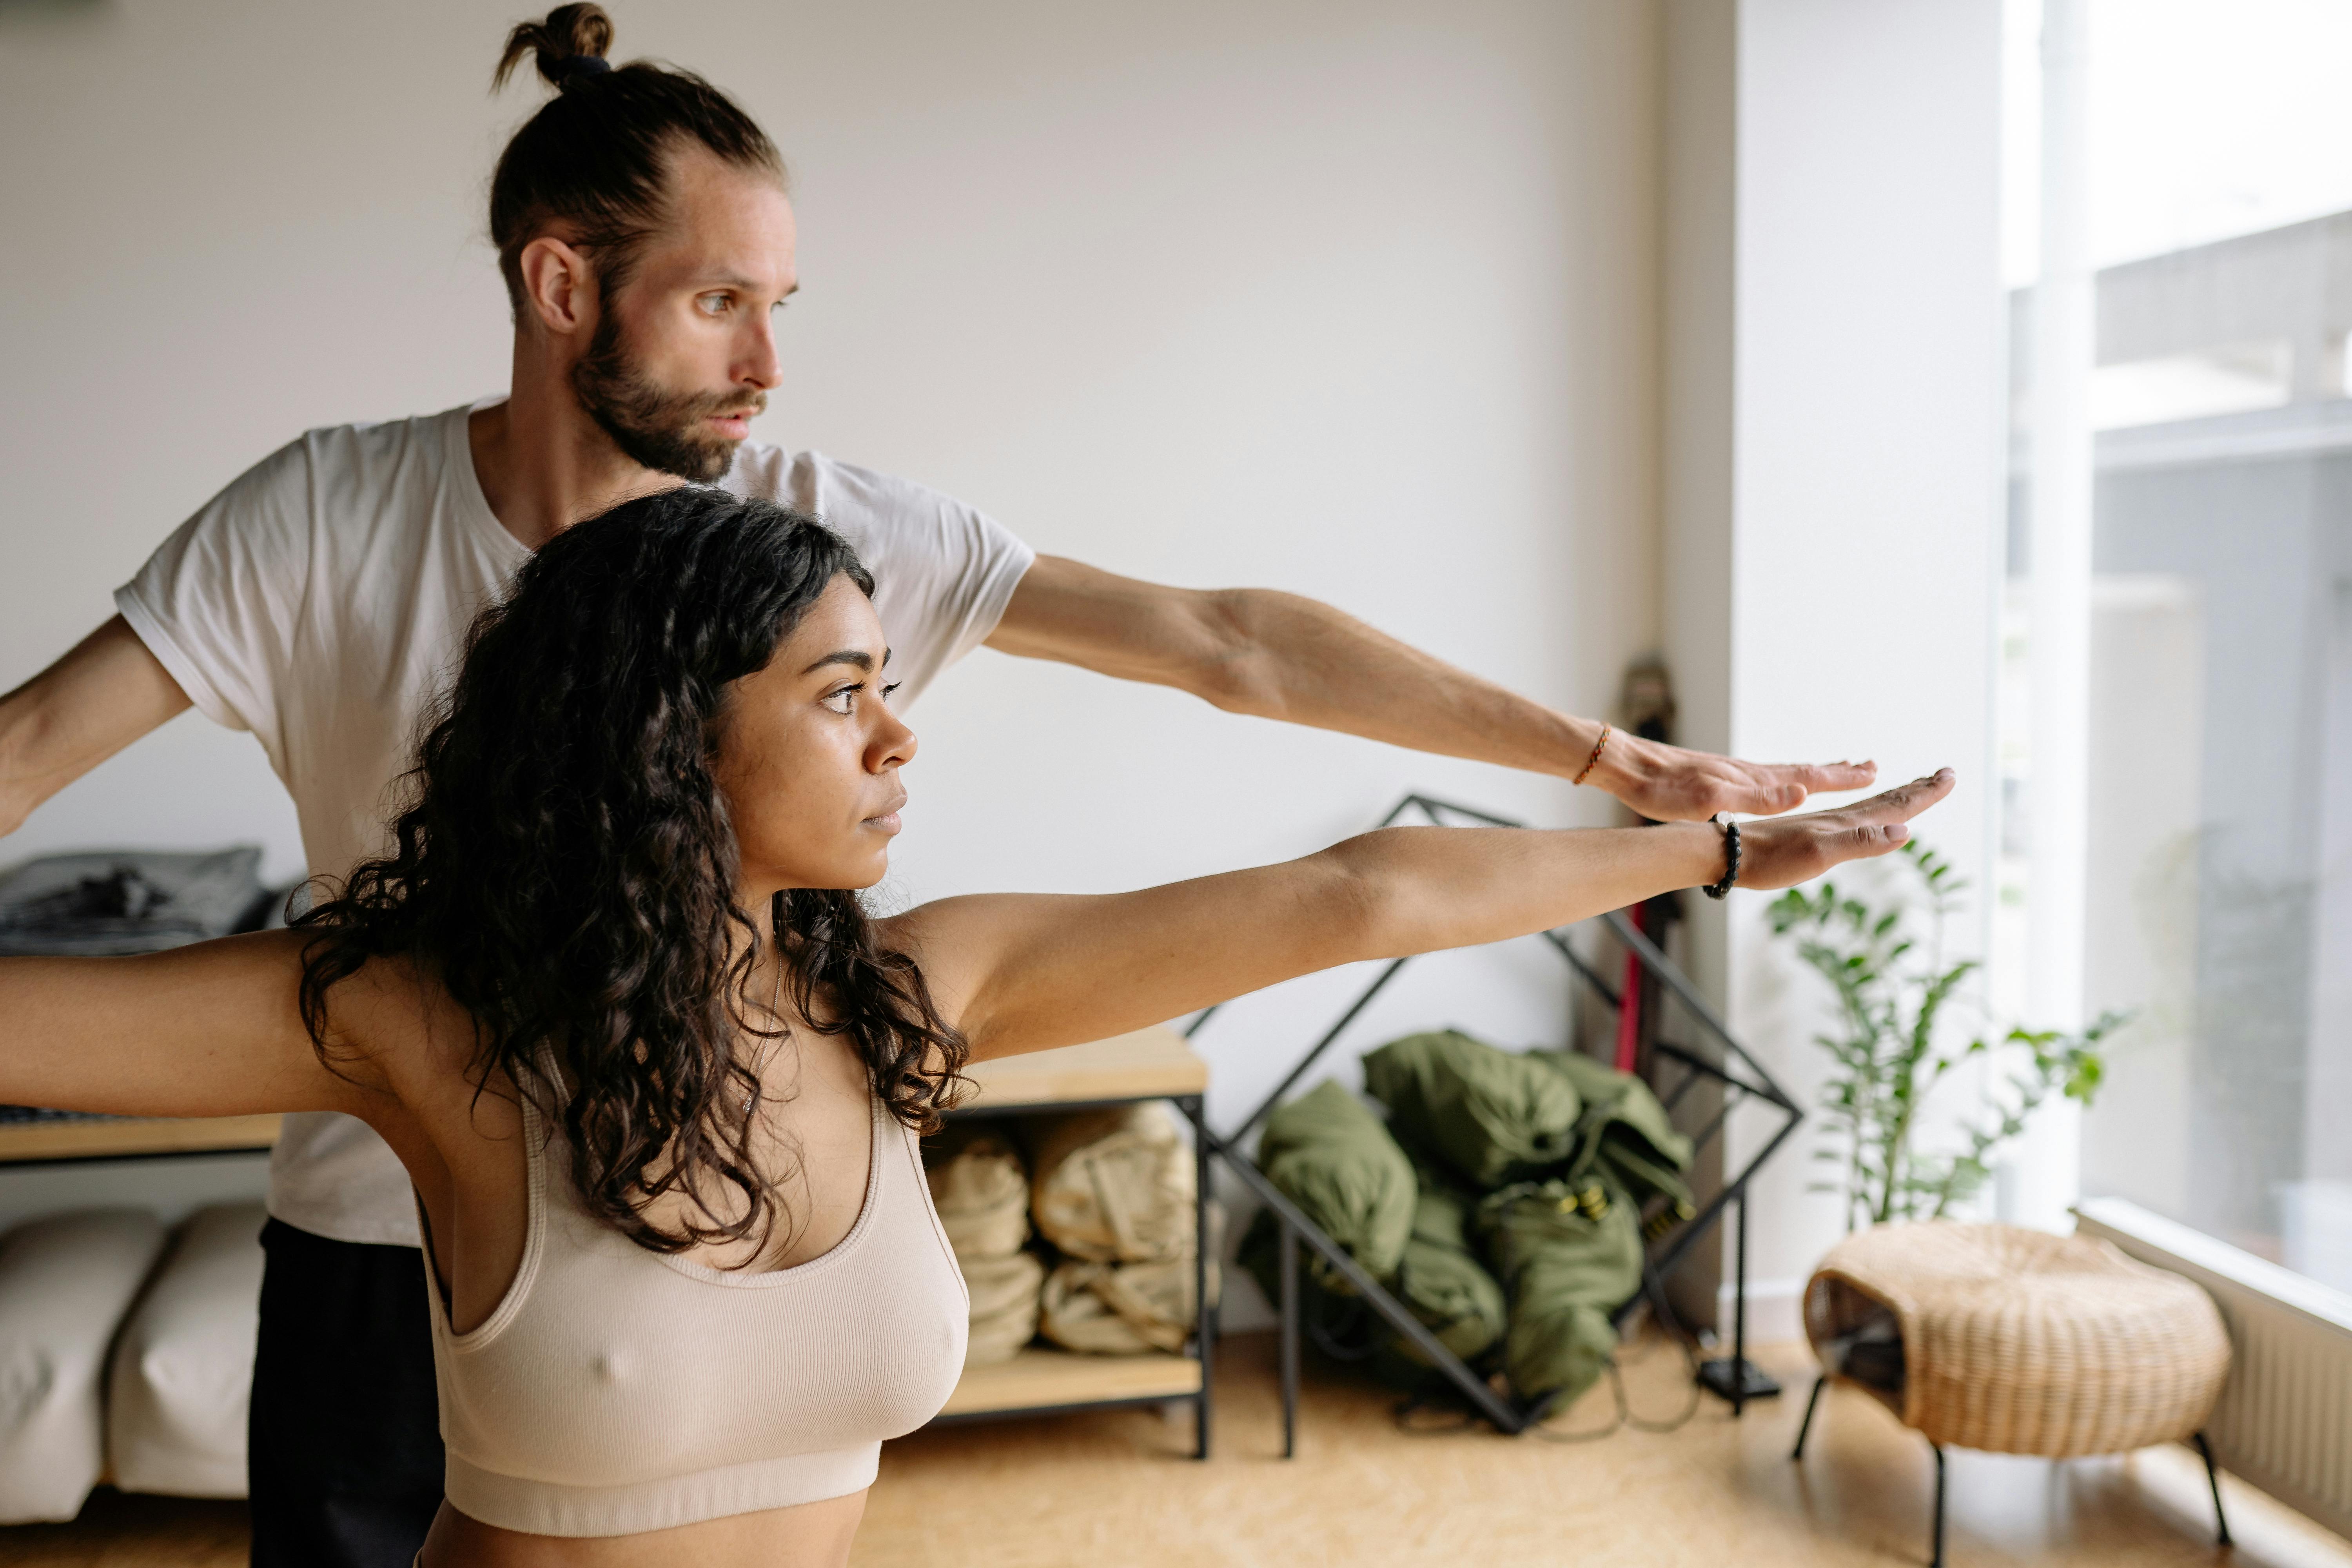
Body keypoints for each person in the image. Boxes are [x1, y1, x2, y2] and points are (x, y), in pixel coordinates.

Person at [0, 8, 1874, 1564]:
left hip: (732, 1121)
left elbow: (1235, 659)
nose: (769, 361)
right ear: (563, 285)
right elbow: (25, 759)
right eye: (720, 301)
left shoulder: (820, 558)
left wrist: (1621, 776)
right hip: (398, 1202)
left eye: (782, 301)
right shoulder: (332, 551)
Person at [0, 488, 1952, 1568]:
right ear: (670, 733)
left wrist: (1707, 848)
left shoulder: (913, 996)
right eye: (843, 690)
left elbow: (1363, 891)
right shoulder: (429, 1024)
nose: (900, 736)